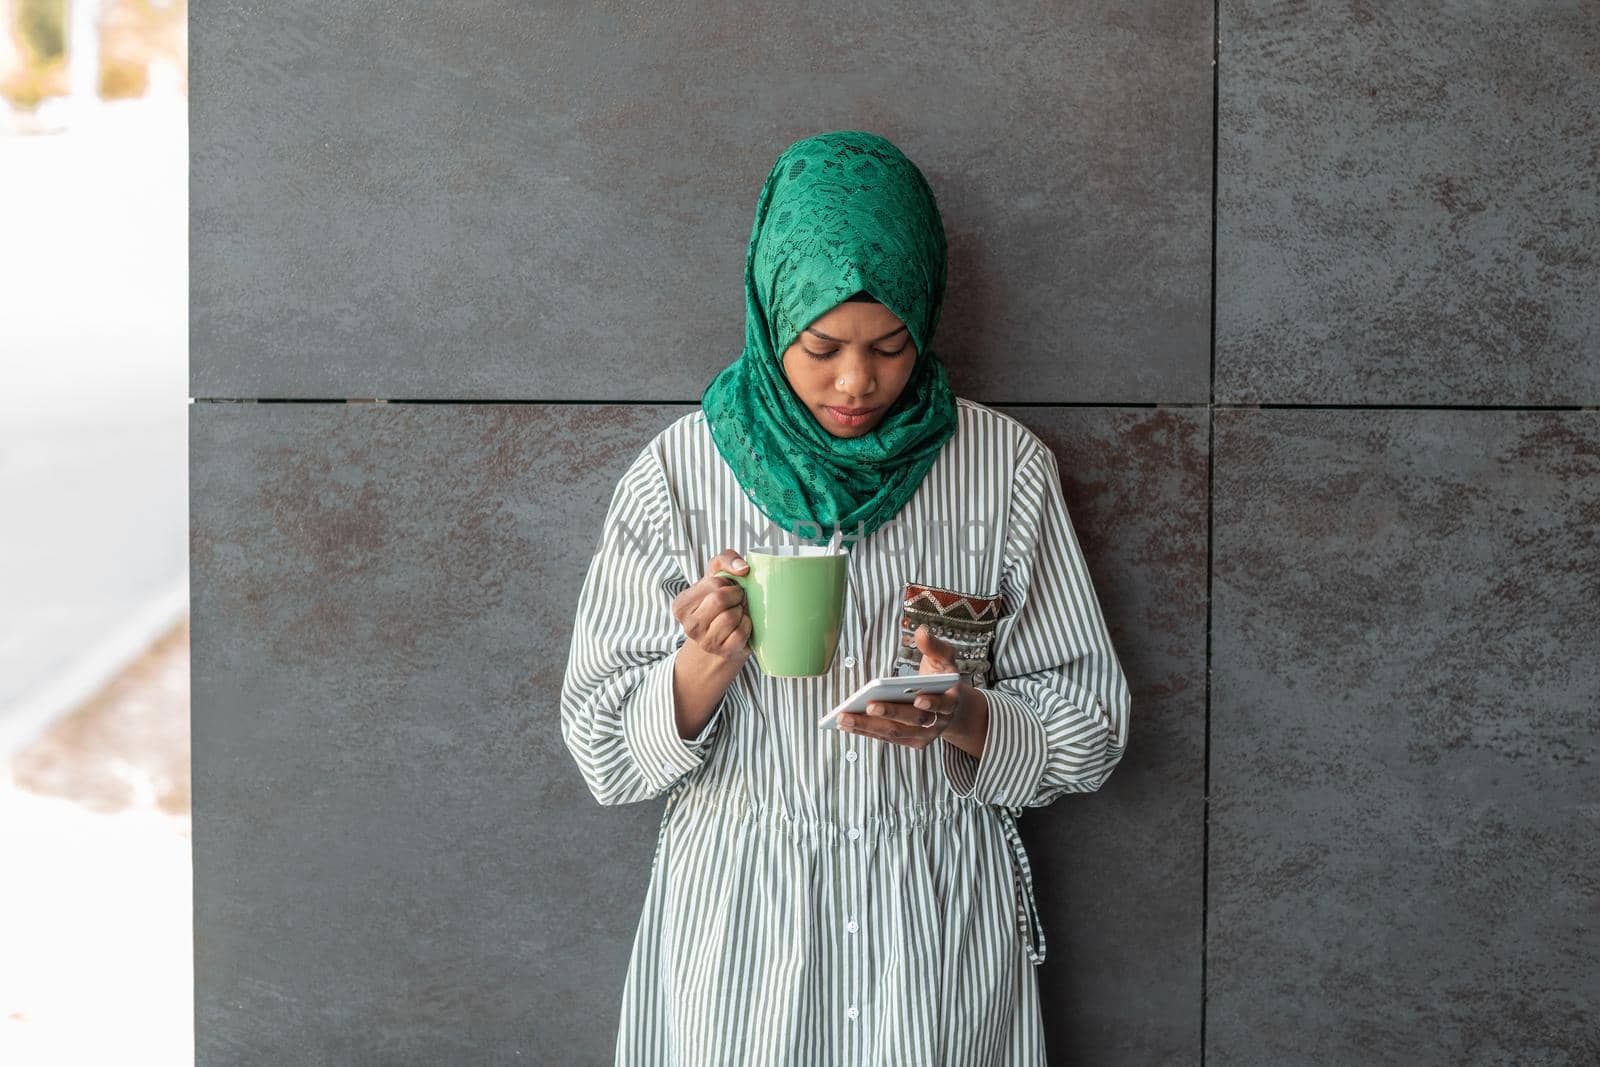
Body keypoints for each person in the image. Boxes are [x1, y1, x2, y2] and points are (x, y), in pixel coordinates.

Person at [559, 129, 1131, 1067]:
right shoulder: (678, 474)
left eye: (890, 345)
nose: (857, 381)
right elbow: (602, 755)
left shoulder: (1002, 471)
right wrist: (704, 663)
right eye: (821, 346)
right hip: (741, 929)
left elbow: (1094, 726)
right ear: (770, 309)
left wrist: (971, 717)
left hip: (936, 928)